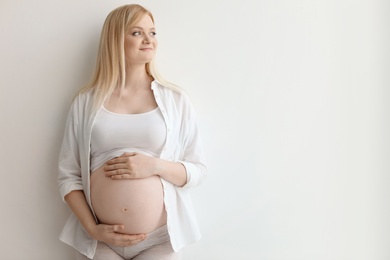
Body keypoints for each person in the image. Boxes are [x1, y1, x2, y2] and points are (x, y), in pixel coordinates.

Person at [57, 4, 207, 260]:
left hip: (160, 240)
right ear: (115, 40)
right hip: (101, 242)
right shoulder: (85, 101)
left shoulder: (175, 99)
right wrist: (93, 229)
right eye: (137, 32)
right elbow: (68, 176)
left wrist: (154, 166)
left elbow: (197, 171)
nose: (149, 39)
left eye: (153, 32)